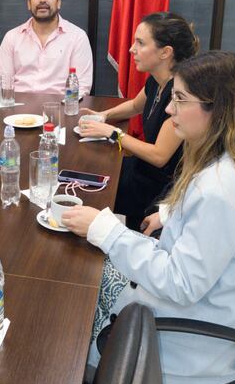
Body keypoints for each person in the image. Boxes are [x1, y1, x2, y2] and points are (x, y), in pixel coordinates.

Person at [62, 51, 235, 384]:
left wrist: (106, 230)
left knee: (64, 318)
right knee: (89, 267)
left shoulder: (221, 191)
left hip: (188, 350)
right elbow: (225, 224)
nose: (170, 110)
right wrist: (172, 213)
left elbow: (180, 284)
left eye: (180, 100)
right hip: (215, 309)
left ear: (219, 110)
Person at [79, 12, 198, 230]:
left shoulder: (180, 94)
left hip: (160, 186)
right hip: (142, 170)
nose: (131, 49)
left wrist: (112, 133)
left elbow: (160, 156)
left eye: (140, 43)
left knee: (96, 192)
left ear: (165, 52)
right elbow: (135, 105)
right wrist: (105, 115)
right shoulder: (156, 80)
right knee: (93, 174)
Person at [0, 0, 93, 96]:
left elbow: (82, 88)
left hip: (60, 109)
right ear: (28, 3)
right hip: (18, 111)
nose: (42, 0)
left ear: (58, 2)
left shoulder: (77, 37)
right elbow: (3, 85)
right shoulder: (12, 37)